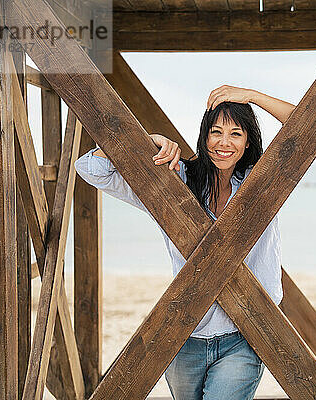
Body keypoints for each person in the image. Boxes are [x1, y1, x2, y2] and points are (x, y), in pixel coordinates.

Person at [74, 84, 296, 400]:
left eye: (236, 134)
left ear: (248, 142)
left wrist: (252, 97)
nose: (224, 143)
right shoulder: (177, 180)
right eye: (216, 132)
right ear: (204, 137)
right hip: (184, 335)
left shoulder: (261, 182)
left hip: (245, 333)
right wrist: (145, 142)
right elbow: (91, 169)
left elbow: (306, 128)